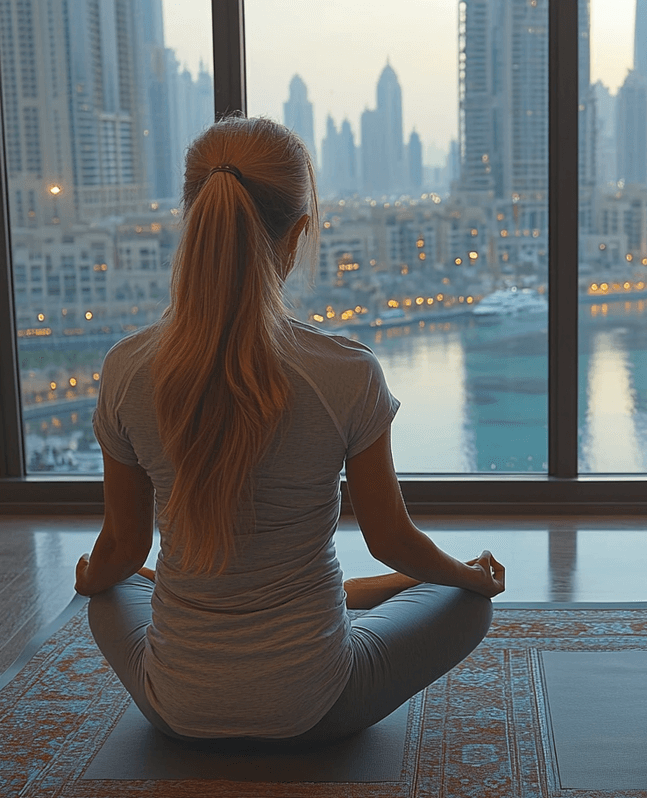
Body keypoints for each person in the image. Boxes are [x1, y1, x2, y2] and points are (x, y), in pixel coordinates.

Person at [74, 116, 504, 744]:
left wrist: (91, 579)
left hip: (175, 707)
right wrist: (467, 579)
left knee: (109, 590)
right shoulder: (347, 373)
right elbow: (391, 538)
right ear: (299, 232)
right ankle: (400, 592)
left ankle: (370, 596)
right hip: (319, 704)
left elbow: (122, 549)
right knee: (466, 604)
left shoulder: (126, 369)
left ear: (191, 218)